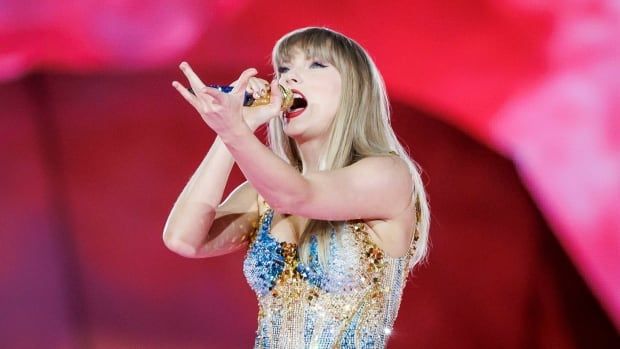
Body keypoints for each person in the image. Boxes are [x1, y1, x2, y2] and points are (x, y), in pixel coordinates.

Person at [163, 26, 430, 348]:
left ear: (354, 88)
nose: (289, 79)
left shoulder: (388, 174)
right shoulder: (263, 195)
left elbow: (297, 195)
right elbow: (184, 239)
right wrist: (235, 128)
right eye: (284, 69)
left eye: (315, 65)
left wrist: (235, 133)